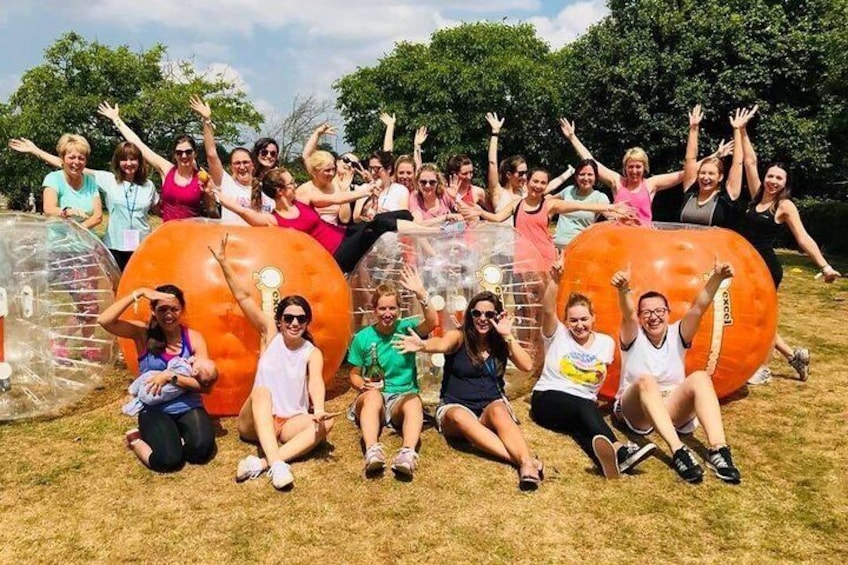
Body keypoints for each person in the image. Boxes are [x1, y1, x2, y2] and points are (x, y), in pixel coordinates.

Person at [209, 235, 334, 491]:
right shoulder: (270, 333)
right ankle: (277, 464)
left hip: (289, 423)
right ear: (279, 320)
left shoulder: (312, 352)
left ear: (307, 322)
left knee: (326, 423)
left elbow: (316, 383)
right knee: (262, 392)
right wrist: (224, 263)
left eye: (301, 319)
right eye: (289, 318)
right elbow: (244, 297)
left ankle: (264, 463)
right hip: (255, 420)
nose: (294, 323)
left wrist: (319, 408)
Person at [394, 291, 544, 490]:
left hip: (489, 404)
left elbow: (526, 365)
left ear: (497, 316)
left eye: (489, 315)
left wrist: (508, 335)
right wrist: (423, 345)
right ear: (470, 315)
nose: (482, 319)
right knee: (459, 416)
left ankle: (525, 462)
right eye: (477, 313)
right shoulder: (459, 336)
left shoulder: (500, 341)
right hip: (455, 406)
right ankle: (526, 462)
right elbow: (442, 343)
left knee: (499, 411)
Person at [610, 259, 742, 484]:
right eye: (647, 313)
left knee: (700, 377)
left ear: (668, 313)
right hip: (636, 407)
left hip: (669, 405)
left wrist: (717, 278)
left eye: (659, 310)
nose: (654, 316)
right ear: (641, 318)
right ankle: (679, 451)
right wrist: (623, 290)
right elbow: (628, 314)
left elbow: (699, 307)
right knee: (645, 380)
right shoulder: (634, 335)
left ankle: (719, 449)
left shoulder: (677, 333)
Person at [736, 107, 841, 383]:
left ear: (785, 183)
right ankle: (795, 356)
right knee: (749, 315)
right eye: (770, 176)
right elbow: (749, 162)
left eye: (778, 178)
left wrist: (825, 266)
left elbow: (803, 238)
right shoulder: (758, 196)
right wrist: (743, 131)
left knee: (761, 319)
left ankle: (763, 368)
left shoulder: (784, 206)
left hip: (766, 268)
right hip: (747, 266)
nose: (772, 181)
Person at [531, 261, 655, 478]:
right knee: (582, 406)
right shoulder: (558, 334)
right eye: (574, 320)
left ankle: (606, 461)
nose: (579, 325)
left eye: (584, 319)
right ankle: (620, 450)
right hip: (547, 400)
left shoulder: (606, 343)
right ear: (567, 322)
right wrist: (556, 280)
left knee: (582, 429)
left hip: (581, 406)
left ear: (593, 318)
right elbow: (549, 310)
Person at [99, 285, 217, 472]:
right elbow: (104, 320)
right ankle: (135, 440)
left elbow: (206, 386)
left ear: (182, 310)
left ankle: (174, 434)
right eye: (162, 309)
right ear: (153, 311)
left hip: (187, 404)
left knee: (200, 451)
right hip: (154, 409)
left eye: (174, 309)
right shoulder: (143, 334)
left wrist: (171, 377)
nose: (169, 314)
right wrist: (137, 293)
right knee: (168, 461)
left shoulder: (193, 338)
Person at [213, 167, 416, 274]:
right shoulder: (273, 219)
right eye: (291, 183)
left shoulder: (303, 200)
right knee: (377, 226)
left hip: (344, 235)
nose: (295, 185)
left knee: (392, 216)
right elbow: (243, 211)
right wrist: (220, 198)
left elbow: (336, 198)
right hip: (334, 255)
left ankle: (427, 228)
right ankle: (427, 232)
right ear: (280, 191)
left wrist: (364, 191)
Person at [10, 137, 160, 270]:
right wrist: (36, 151)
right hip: (114, 245)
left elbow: (160, 209)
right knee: (116, 287)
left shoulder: (149, 186)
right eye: (124, 159)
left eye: (133, 159)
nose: (128, 163)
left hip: (142, 245)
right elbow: (70, 164)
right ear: (117, 161)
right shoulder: (107, 179)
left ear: (140, 162)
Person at [348, 267, 437, 478]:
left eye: (392, 308)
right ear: (374, 311)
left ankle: (407, 453)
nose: (387, 313)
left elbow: (432, 322)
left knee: (414, 400)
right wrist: (362, 385)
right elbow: (353, 374)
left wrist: (421, 294)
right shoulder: (363, 338)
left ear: (399, 310)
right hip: (373, 399)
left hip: (401, 399)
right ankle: (372, 450)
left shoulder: (407, 328)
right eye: (382, 309)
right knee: (372, 396)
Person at [463, 168, 635, 273]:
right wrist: (480, 211)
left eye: (543, 183)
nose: (538, 186)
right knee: (524, 303)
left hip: (544, 258)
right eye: (535, 181)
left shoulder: (549, 205)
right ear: (527, 183)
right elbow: (497, 218)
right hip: (522, 259)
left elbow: (578, 206)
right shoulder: (516, 204)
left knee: (544, 302)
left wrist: (610, 208)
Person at [98, 101, 217, 221]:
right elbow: (140, 145)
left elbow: (213, 214)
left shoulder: (202, 179)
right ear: (174, 155)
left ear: (195, 153)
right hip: (167, 235)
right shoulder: (167, 170)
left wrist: (210, 196)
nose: (184, 156)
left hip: (190, 235)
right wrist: (116, 119)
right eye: (179, 153)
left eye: (188, 152)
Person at [559, 117, 685, 225]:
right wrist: (572, 137)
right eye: (630, 167)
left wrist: (705, 163)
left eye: (638, 167)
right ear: (625, 168)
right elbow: (591, 162)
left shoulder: (651, 184)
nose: (634, 170)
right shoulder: (617, 182)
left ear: (644, 167)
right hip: (619, 237)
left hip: (644, 238)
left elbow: (684, 174)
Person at [190, 95, 273, 225]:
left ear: (252, 164)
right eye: (237, 163)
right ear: (231, 167)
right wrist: (207, 120)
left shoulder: (268, 189)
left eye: (245, 162)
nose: (242, 166)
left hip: (260, 244)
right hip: (232, 243)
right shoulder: (227, 184)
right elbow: (211, 153)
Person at [679, 104, 741, 227]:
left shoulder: (727, 196)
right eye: (703, 173)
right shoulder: (690, 192)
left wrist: (738, 130)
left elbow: (737, 163)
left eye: (711, 173)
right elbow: (690, 158)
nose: (705, 177)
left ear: (720, 177)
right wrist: (694, 128)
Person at [122, 356, 217, 416]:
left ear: (196, 371)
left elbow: (206, 389)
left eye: (198, 361)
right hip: (156, 406)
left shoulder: (186, 369)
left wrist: (169, 376)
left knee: (202, 443)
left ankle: (135, 394)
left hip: (187, 407)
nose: (196, 358)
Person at [551, 159, 611, 248]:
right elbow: (549, 202)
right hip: (555, 247)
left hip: (578, 249)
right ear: (576, 176)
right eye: (582, 174)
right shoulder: (568, 191)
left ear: (596, 177)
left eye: (590, 174)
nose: (586, 178)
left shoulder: (600, 197)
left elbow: (609, 214)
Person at [297, 150, 353, 225]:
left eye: (333, 169)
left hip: (332, 233)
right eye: (327, 170)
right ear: (315, 171)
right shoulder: (303, 190)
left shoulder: (338, 186)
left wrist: (344, 190)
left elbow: (345, 219)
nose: (332, 173)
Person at [353, 151, 410, 221]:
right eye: (371, 169)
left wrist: (386, 216)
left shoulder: (401, 190)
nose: (373, 173)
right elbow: (356, 218)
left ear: (389, 169)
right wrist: (366, 213)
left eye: (377, 169)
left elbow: (403, 218)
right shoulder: (364, 188)